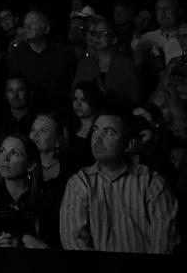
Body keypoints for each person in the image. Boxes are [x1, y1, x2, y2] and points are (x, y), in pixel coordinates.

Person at [59, 108, 180, 253]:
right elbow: (73, 241)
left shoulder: (151, 183)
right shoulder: (80, 183)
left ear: (129, 145)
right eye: (95, 131)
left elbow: (164, 242)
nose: (97, 139)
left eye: (109, 132)